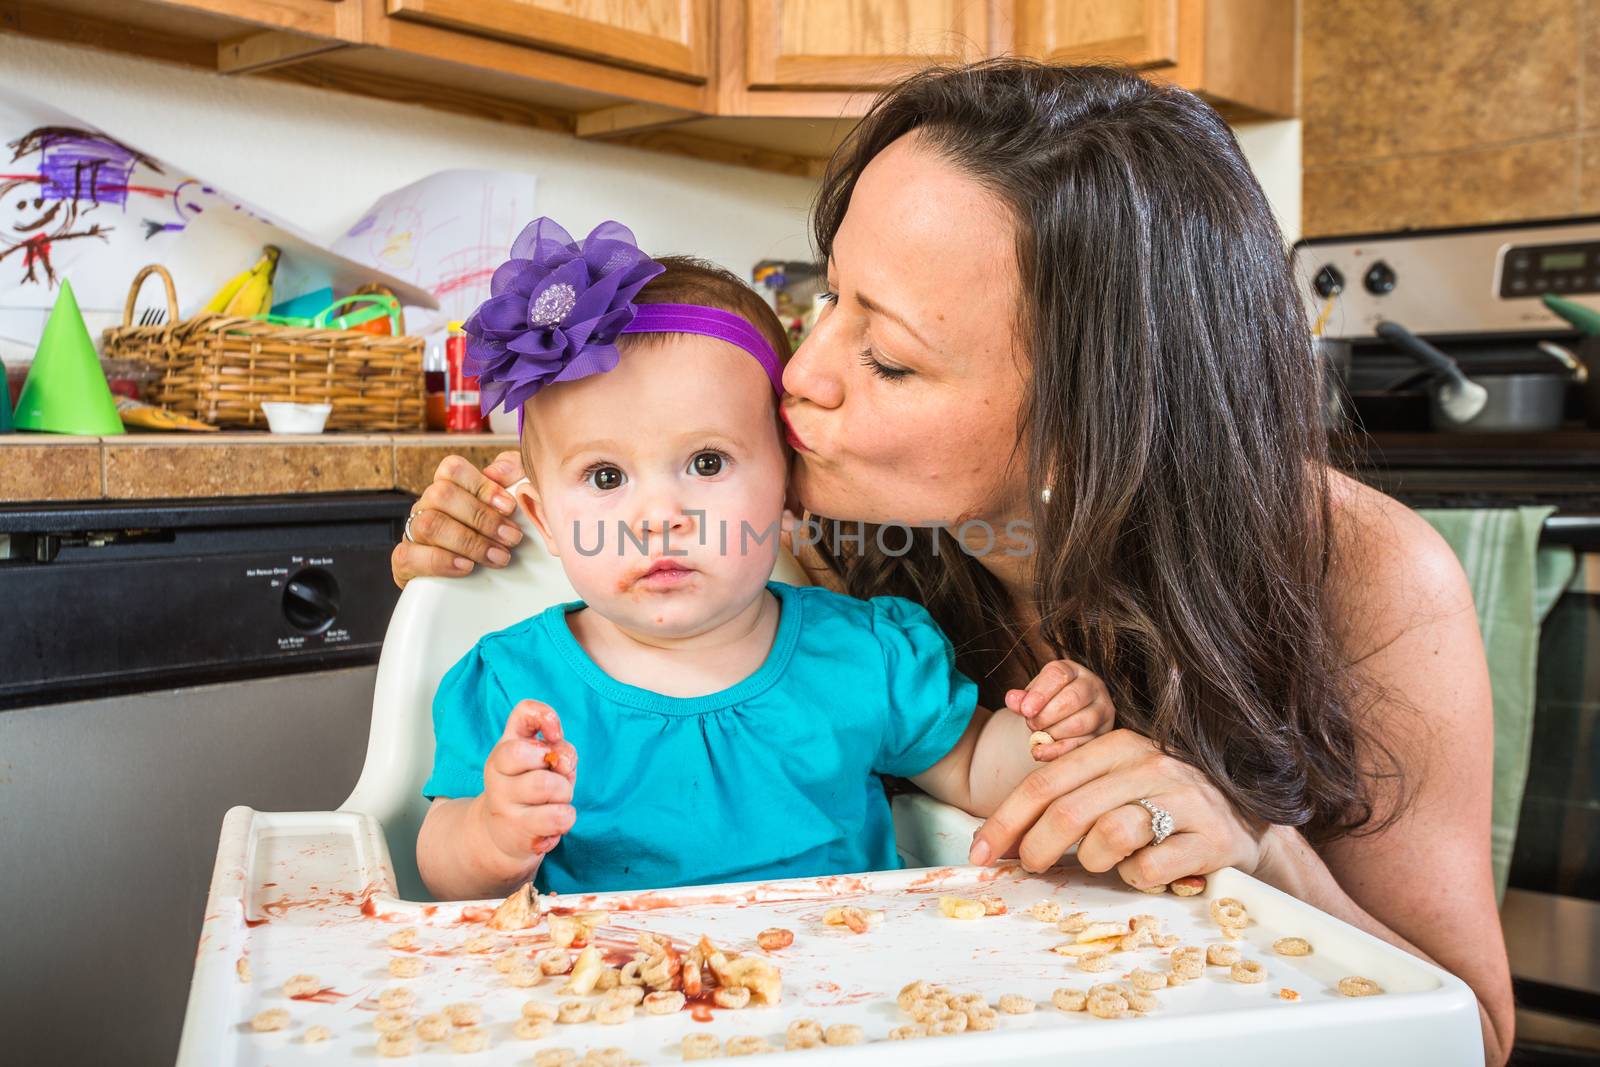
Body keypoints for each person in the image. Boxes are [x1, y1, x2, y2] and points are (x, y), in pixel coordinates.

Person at [395, 64, 1513, 1063]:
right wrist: (495, 536)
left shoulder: (1369, 577)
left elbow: (1476, 1031)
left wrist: (1260, 849)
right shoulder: (821, 526)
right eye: (824, 299)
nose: (801, 375)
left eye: (886, 357)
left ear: (1088, 425)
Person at [415, 221, 1115, 901]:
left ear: (788, 482)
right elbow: (438, 866)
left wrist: (1049, 737)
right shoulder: (514, 683)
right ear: (545, 519)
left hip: (841, 996)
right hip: (607, 997)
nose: (659, 516)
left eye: (707, 461)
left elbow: (975, 768)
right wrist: (490, 835)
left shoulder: (865, 654)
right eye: (605, 477)